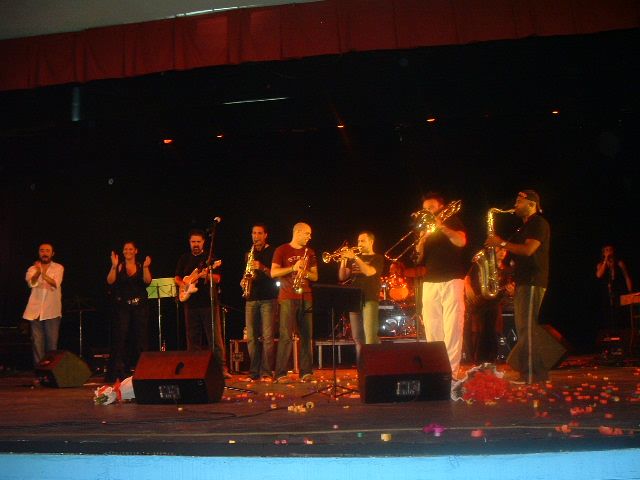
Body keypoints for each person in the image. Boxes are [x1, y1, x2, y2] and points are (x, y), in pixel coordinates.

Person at [486, 189, 551, 382]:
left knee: (527, 329)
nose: (515, 205)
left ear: (531, 204)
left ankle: (531, 374)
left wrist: (501, 243)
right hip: (524, 281)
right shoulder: (525, 227)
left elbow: (529, 250)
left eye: (519, 201)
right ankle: (535, 373)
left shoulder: (538, 223)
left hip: (532, 280)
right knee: (525, 329)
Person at [415, 192, 467, 378]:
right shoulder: (424, 228)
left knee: (453, 327)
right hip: (430, 281)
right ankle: (435, 370)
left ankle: (451, 372)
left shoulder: (452, 221)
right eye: (425, 209)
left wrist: (441, 227)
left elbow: (461, 241)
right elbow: (418, 258)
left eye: (431, 208)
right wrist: (422, 240)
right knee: (431, 327)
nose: (427, 212)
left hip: (452, 279)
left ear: (441, 208)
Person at [175, 229, 229, 377]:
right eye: (193, 242)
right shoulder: (184, 258)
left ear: (203, 242)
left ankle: (221, 369)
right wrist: (183, 284)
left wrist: (207, 275)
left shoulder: (210, 258)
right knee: (192, 339)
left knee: (214, 338)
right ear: (189, 242)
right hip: (190, 305)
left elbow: (218, 278)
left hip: (208, 304)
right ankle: (194, 369)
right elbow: (177, 277)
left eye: (198, 242)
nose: (196, 244)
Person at [271, 222, 318, 383]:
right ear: (297, 232)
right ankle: (280, 374)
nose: (309, 237)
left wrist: (304, 271)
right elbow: (273, 273)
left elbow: (315, 276)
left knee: (307, 335)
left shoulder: (310, 252)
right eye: (307, 234)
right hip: (287, 296)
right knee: (285, 336)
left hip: (306, 296)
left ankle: (306, 372)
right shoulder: (281, 250)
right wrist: (293, 268)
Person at [105, 241, 152, 381]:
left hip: (139, 307)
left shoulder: (140, 266)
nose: (128, 251)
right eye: (125, 249)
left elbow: (147, 281)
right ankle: (118, 371)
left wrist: (146, 267)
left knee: (141, 338)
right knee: (120, 338)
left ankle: (144, 371)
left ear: (136, 251)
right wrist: (114, 266)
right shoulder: (119, 266)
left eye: (131, 249)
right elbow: (110, 281)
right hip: (123, 307)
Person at [338, 231, 384, 361]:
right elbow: (342, 277)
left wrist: (355, 258)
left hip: (369, 298)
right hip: (354, 299)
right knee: (357, 337)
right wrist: (343, 261)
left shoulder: (377, 258)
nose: (359, 244)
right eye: (358, 241)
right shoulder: (355, 259)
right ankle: (362, 367)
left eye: (362, 241)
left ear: (371, 242)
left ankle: (373, 366)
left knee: (370, 337)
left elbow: (369, 272)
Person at [241, 223, 279, 381]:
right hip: (251, 299)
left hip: (268, 298)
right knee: (251, 338)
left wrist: (262, 267)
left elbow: (276, 275)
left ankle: (266, 372)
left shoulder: (273, 252)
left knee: (267, 338)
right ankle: (254, 372)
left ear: (265, 235)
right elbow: (247, 274)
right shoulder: (249, 253)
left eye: (259, 233)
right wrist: (243, 281)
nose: (256, 236)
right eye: (254, 233)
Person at [463, 246, 514, 363]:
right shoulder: (483, 265)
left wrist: (511, 290)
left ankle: (486, 358)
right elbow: (467, 277)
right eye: (499, 249)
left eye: (504, 250)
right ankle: (476, 358)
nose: (502, 252)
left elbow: (507, 291)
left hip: (492, 303)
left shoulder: (506, 270)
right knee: (472, 332)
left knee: (489, 327)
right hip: (476, 301)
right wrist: (467, 286)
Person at [22, 243, 64, 368]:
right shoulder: (32, 269)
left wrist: (42, 273)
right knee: (37, 343)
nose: (44, 253)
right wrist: (38, 272)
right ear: (39, 253)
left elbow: (55, 283)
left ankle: (51, 371)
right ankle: (39, 372)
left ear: (52, 253)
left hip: (52, 311)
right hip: (34, 311)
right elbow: (32, 284)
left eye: (47, 251)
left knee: (52, 344)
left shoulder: (58, 267)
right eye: (42, 250)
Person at [596, 244, 633, 327]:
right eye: (606, 250)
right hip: (606, 293)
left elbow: (627, 277)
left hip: (619, 291)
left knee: (620, 314)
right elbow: (599, 275)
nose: (608, 251)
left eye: (610, 249)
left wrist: (630, 291)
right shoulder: (600, 265)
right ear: (603, 253)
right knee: (608, 314)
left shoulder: (619, 263)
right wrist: (605, 260)